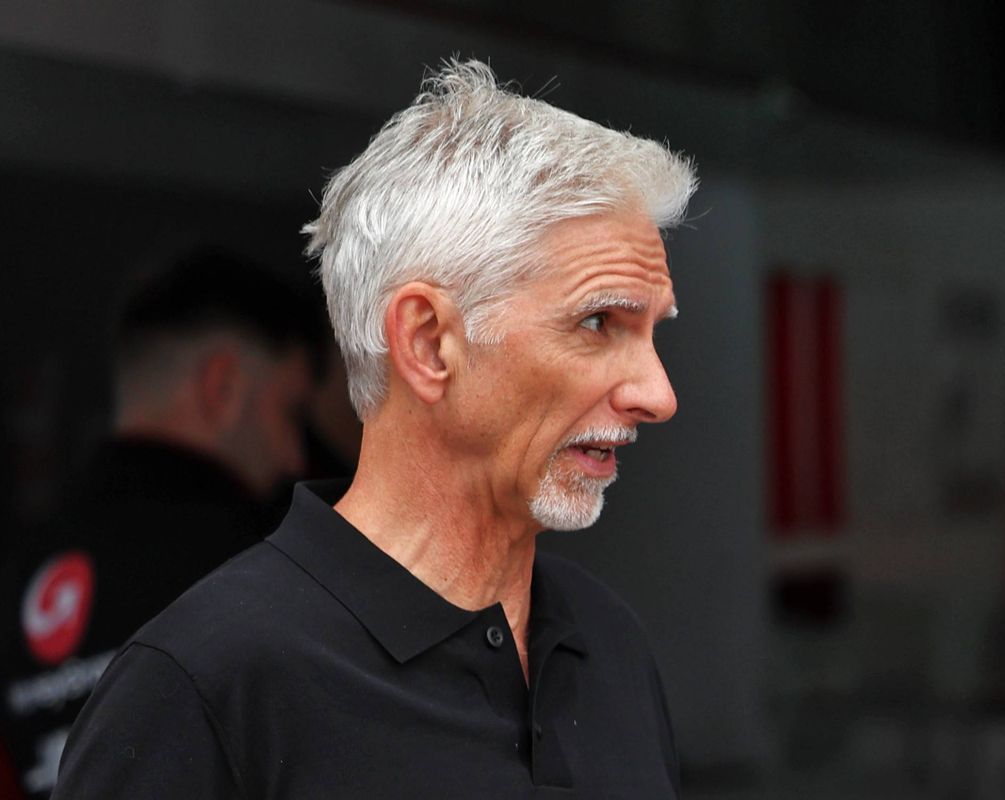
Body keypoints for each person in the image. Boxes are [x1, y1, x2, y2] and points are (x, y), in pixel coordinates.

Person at [52, 59, 698, 798]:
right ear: (427, 343)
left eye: (652, 331)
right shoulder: (206, 685)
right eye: (598, 322)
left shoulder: (606, 638)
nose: (658, 395)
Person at [0, 249, 322, 799]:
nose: (295, 457)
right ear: (222, 387)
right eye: (290, 415)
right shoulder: (271, 568)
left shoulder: (18, 580)